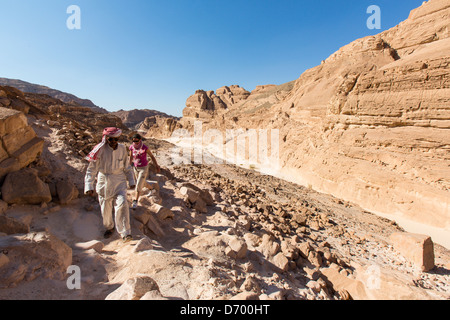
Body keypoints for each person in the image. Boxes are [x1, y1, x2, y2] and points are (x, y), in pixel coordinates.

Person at [84, 127, 136, 242]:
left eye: (115, 139)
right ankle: (109, 227)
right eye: (110, 139)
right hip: (104, 181)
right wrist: (89, 185)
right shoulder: (100, 150)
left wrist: (131, 181)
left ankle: (125, 233)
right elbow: (91, 169)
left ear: (118, 139)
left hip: (119, 181)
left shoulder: (122, 148)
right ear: (106, 139)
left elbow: (127, 167)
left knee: (122, 205)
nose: (113, 142)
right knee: (106, 209)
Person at [129, 133, 160, 209]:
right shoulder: (131, 147)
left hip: (144, 167)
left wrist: (156, 165)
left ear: (140, 140)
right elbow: (131, 157)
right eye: (134, 141)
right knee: (142, 183)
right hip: (135, 167)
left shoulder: (144, 147)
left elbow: (152, 156)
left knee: (138, 185)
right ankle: (152, 189)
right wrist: (128, 166)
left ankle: (135, 201)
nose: (135, 142)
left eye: (137, 141)